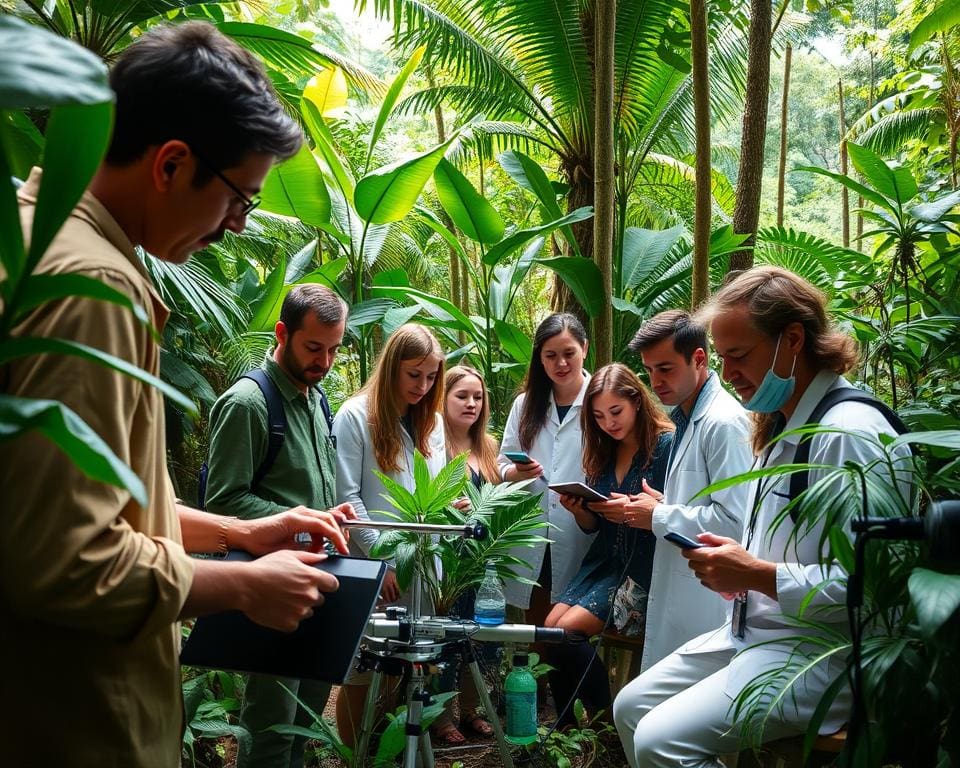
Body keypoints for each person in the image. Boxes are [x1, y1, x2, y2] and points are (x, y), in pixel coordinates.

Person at [0, 22, 352, 768]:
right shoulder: (90, 287)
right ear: (171, 163)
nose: (236, 227)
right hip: (75, 723)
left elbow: (105, 504)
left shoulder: (34, 239)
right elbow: (65, 560)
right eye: (238, 201)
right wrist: (243, 587)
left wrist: (242, 534)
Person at [612, 266, 912, 767]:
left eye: (739, 356)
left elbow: (879, 588)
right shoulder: (782, 425)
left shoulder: (849, 433)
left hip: (821, 652)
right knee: (631, 707)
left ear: (792, 339)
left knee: (660, 741)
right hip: (756, 630)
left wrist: (760, 575)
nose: (728, 375)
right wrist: (743, 574)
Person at [204, 284, 352, 768]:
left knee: (304, 723)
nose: (325, 361)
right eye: (314, 348)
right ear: (282, 333)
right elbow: (222, 502)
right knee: (270, 725)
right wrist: (297, 521)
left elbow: (309, 489)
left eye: (333, 349)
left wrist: (328, 515)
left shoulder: (315, 397)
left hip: (317, 579)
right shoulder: (248, 403)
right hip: (269, 582)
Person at [593, 310, 752, 671]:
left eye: (665, 368)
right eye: (649, 370)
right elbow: (704, 501)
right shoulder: (684, 418)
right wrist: (664, 505)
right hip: (681, 591)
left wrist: (658, 515)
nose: (656, 380)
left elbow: (737, 521)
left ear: (699, 359)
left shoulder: (723, 423)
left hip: (707, 603)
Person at [331, 323, 447, 745]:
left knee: (409, 663)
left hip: (423, 566)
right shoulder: (355, 416)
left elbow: (432, 491)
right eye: (414, 374)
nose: (423, 385)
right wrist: (381, 561)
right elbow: (348, 497)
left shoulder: (430, 422)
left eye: (432, 376)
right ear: (392, 366)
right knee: (364, 668)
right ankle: (354, 755)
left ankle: (389, 749)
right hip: (373, 565)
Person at [549, 364, 673, 725]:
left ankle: (606, 726)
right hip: (603, 561)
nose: (608, 423)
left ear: (637, 401)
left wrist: (640, 510)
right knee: (550, 627)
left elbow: (672, 509)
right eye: (599, 416)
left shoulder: (666, 446)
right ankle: (565, 728)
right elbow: (594, 527)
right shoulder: (604, 451)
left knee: (567, 633)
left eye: (615, 412)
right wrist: (579, 511)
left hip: (640, 565)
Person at [497, 313, 594, 625]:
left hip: (582, 531)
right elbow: (502, 465)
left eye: (569, 354)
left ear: (585, 349)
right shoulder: (525, 405)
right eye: (550, 356)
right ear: (539, 358)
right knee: (536, 631)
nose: (561, 364)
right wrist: (516, 473)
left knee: (573, 637)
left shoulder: (602, 400)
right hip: (533, 535)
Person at [432, 364, 501, 743]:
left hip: (481, 557)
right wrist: (448, 507)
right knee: (447, 637)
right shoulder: (432, 444)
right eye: (462, 395)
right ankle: (442, 716)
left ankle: (473, 709)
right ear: (443, 398)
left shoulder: (488, 446)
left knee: (480, 636)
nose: (471, 403)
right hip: (446, 561)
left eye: (477, 397)